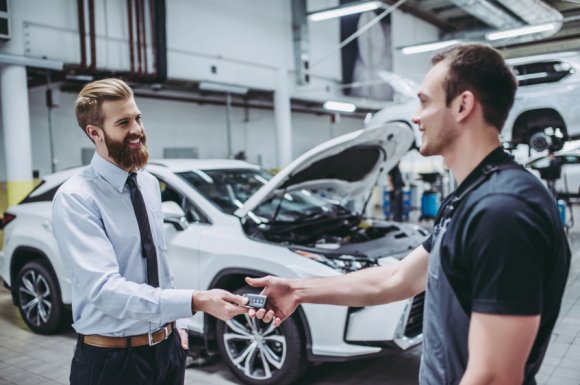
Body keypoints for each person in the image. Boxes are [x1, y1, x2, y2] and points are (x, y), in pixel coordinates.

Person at [246, 44, 571, 385]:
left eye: (425, 101)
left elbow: (494, 376)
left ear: (463, 105)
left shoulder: (503, 211)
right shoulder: (469, 198)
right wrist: (297, 290)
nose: (416, 116)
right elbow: (396, 279)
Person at [51, 78, 249, 385]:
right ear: (95, 133)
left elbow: (159, 263)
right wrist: (195, 301)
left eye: (138, 118)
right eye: (123, 122)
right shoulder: (77, 198)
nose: (137, 130)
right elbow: (105, 291)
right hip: (113, 362)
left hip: (168, 350)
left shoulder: (147, 182)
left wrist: (179, 324)